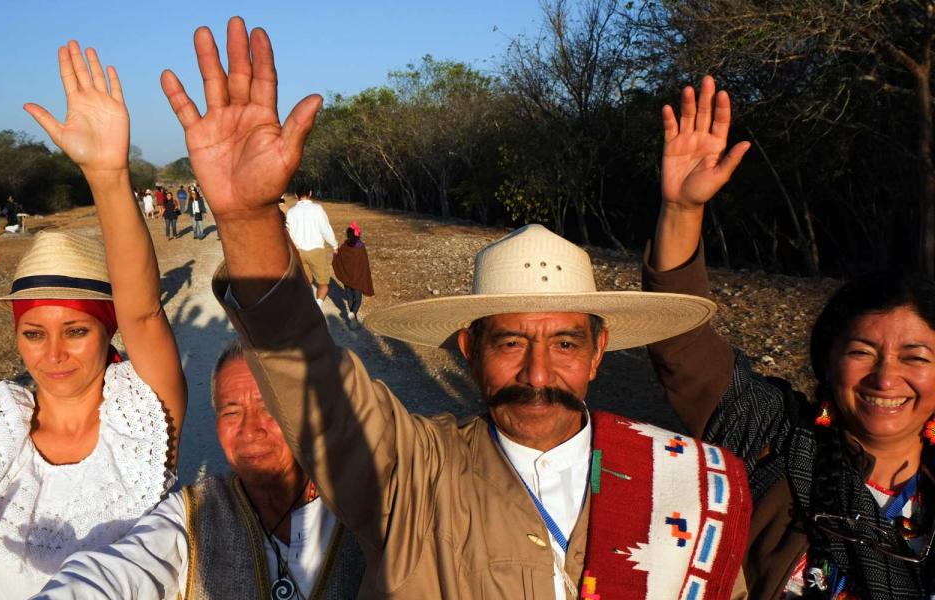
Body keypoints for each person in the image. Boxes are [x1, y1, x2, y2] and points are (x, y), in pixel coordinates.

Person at [161, 18, 753, 599]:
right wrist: (244, 220)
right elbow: (307, 370)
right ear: (468, 349)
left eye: (565, 343)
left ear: (599, 351)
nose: (538, 375)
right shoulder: (411, 474)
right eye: (511, 342)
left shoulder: (681, 487)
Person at [645, 77, 935, 598]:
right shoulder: (777, 439)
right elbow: (681, 347)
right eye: (862, 351)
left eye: (915, 356)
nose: (887, 377)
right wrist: (682, 211)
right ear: (828, 359)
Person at [0, 41, 187, 598]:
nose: (53, 355)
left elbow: (142, 310)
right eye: (33, 333)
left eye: (76, 330)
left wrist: (108, 175)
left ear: (107, 329)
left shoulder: (141, 417)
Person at [34, 341, 365, 600]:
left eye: (268, 409)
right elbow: (115, 573)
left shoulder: (366, 510)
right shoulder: (192, 514)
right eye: (231, 413)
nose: (250, 431)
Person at [285, 187, 338, 307]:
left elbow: (288, 232)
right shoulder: (317, 209)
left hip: (298, 251)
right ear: (310, 193)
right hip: (316, 250)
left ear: (295, 195)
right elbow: (325, 229)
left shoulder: (291, 211)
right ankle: (317, 306)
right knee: (323, 284)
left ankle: (307, 307)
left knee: (306, 282)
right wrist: (334, 245)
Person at [332, 221, 373, 327]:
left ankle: (352, 321)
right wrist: (366, 277)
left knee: (350, 298)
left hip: (347, 279)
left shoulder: (344, 246)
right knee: (358, 299)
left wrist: (335, 255)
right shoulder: (361, 248)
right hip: (358, 279)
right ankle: (353, 313)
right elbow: (365, 264)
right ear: (358, 235)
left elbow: (338, 258)